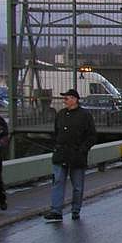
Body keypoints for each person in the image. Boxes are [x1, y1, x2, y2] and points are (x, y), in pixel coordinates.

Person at [43, 89, 97, 222]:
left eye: (66, 98)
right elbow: (56, 132)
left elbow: (92, 136)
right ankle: (56, 211)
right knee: (58, 182)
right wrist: (57, 146)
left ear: (74, 99)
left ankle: (75, 210)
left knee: (77, 186)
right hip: (61, 154)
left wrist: (83, 149)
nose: (64, 101)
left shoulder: (85, 115)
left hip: (77, 156)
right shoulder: (61, 114)